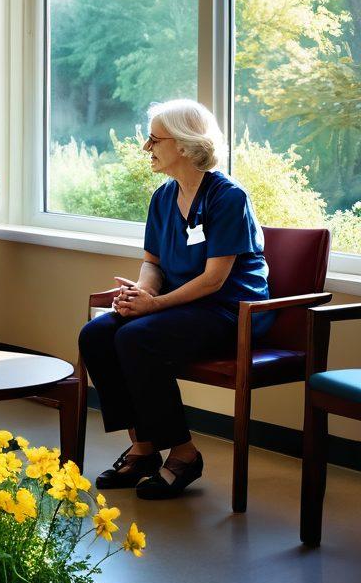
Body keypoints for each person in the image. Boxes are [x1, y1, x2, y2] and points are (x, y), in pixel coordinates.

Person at [78, 99, 270, 500]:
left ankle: (183, 453)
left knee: (136, 337)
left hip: (230, 310)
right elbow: (153, 262)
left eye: (153, 139)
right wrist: (142, 292)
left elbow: (214, 280)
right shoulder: (163, 198)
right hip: (181, 305)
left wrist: (154, 305)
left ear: (183, 145)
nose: (147, 148)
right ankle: (144, 447)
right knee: (96, 333)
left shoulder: (228, 197)